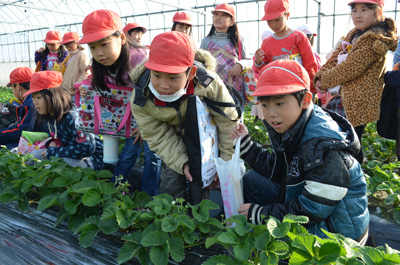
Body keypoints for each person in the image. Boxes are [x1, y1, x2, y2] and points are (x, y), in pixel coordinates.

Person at [231, 59, 369, 244]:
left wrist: (262, 214)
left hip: (337, 232)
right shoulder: (294, 125)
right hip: (316, 207)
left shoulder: (324, 147)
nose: (271, 113)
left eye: (279, 103)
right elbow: (281, 170)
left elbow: (313, 209)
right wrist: (246, 146)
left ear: (305, 100)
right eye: (265, 105)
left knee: (280, 242)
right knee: (252, 181)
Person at [130, 31, 239, 204]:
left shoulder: (208, 83)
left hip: (206, 142)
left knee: (203, 187)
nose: (163, 85)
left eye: (173, 77)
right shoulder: (141, 97)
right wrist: (182, 162)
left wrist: (224, 164)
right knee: (171, 185)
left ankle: (199, 224)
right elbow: (157, 134)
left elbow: (228, 123)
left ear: (190, 73)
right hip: (172, 141)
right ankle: (176, 224)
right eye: (157, 75)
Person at [78, 9, 161, 196]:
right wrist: (85, 86)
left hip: (153, 115)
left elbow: (155, 94)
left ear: (122, 39)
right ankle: (115, 192)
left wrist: (146, 125)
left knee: (151, 155)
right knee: (128, 154)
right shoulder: (102, 64)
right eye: (93, 47)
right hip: (132, 118)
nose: (99, 53)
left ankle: (150, 198)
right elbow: (100, 84)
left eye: (104, 44)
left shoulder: (139, 60)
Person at [314, 0, 397, 164]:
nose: (357, 15)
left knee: (351, 144)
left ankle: (355, 180)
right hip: (342, 98)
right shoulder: (353, 34)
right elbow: (334, 59)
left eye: (364, 10)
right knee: (340, 141)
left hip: (357, 103)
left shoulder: (375, 40)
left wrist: (323, 80)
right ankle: (345, 176)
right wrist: (319, 76)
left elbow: (350, 68)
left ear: (378, 12)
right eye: (355, 11)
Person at [25, 71, 104, 170]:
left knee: (57, 165)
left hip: (92, 159)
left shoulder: (73, 118)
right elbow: (56, 138)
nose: (35, 102)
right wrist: (52, 143)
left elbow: (87, 147)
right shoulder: (48, 118)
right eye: (33, 98)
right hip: (67, 155)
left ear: (54, 96)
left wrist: (54, 152)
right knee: (33, 156)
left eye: (39, 97)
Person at [253, 0, 318, 93]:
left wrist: (311, 88)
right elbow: (264, 70)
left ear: (287, 15)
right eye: (269, 21)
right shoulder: (266, 43)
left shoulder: (299, 37)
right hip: (277, 89)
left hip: (299, 87)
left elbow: (310, 64)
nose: (273, 24)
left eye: (277, 19)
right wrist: (258, 63)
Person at [200, 3, 252, 102]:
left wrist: (240, 65)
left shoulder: (238, 40)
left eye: (223, 15)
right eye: (216, 14)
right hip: (213, 88)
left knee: (235, 115)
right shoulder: (206, 41)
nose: (218, 17)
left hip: (235, 88)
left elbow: (249, 60)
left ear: (232, 22)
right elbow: (200, 63)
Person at [0, 67, 42, 149]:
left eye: (12, 87)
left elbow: (22, 131)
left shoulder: (30, 103)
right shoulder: (31, 100)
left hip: (34, 143)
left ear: (18, 86)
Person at [60, 32, 90, 101]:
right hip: (67, 91)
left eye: (69, 46)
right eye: (66, 46)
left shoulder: (82, 54)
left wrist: (77, 84)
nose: (68, 48)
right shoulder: (70, 55)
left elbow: (86, 72)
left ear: (76, 42)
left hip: (76, 91)